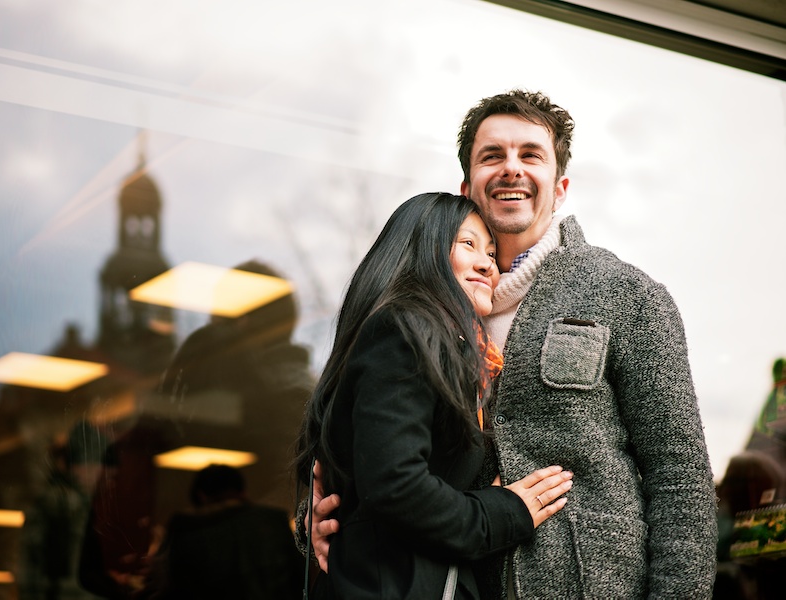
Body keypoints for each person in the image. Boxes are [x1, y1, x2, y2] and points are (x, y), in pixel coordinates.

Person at [301, 90, 719, 598]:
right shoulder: (420, 317)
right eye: (492, 155)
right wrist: (323, 522)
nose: (511, 169)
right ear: (467, 185)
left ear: (560, 188)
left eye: (530, 155)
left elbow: (680, 477)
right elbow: (380, 462)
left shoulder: (625, 294)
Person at [294, 192, 573, 599]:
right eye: (468, 244)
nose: (487, 265)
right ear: (422, 249)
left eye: (492, 254)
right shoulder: (404, 329)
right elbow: (396, 484)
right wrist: (506, 511)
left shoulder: (445, 349)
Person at [139, 464, 303, 600]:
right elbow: (298, 577)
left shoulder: (187, 525)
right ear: (242, 493)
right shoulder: (274, 520)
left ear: (202, 496)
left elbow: (164, 584)